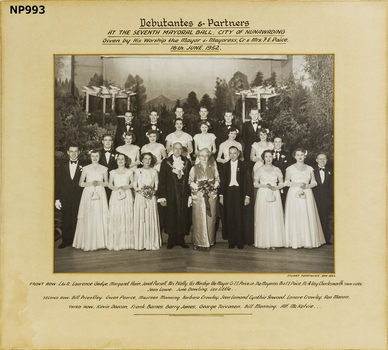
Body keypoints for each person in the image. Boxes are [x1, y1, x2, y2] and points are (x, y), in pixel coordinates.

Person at [284, 148, 326, 249]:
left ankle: (307, 240)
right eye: (297, 155)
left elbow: (314, 182)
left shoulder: (310, 168)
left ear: (305, 156)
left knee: (306, 215)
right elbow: (286, 182)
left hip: (307, 193)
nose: (300, 157)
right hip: (294, 194)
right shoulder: (290, 168)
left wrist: (306, 186)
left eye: (302, 155)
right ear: (294, 156)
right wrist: (297, 184)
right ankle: (294, 241)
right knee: (296, 215)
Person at [72, 150, 109, 251]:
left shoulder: (104, 169)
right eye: (93, 156)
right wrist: (90, 184)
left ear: (99, 157)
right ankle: (88, 242)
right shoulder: (85, 168)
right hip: (88, 193)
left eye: (97, 156)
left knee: (99, 214)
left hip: (100, 193)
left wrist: (99, 183)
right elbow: (80, 183)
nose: (95, 158)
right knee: (89, 215)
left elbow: (107, 183)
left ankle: (101, 242)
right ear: (90, 157)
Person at [158, 143, 192, 249]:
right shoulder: (166, 162)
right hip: (170, 194)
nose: (177, 151)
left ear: (182, 150)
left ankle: (181, 240)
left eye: (179, 149)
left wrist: (190, 195)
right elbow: (162, 181)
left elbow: (190, 179)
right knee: (171, 215)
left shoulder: (187, 162)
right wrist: (162, 197)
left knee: (183, 214)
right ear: (172, 149)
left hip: (184, 194)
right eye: (175, 149)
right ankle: (171, 240)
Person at [219, 146, 253, 249]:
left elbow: (248, 182)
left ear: (238, 154)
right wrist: (221, 196)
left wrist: (247, 196)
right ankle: (231, 241)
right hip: (228, 193)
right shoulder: (224, 166)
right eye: (231, 153)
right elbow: (222, 182)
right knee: (230, 217)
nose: (232, 155)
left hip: (240, 193)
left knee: (239, 217)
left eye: (235, 153)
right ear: (228, 154)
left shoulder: (244, 165)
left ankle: (240, 241)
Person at [189, 148, 220, 250]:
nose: (204, 158)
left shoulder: (214, 168)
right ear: (198, 157)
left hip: (210, 196)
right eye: (202, 155)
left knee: (210, 219)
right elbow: (190, 181)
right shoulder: (194, 168)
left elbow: (218, 180)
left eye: (206, 155)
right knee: (198, 219)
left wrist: (212, 186)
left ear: (209, 156)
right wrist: (199, 187)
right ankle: (197, 242)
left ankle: (209, 241)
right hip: (198, 197)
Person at [253, 150, 285, 249]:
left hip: (275, 193)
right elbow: (255, 184)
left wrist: (276, 188)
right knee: (264, 216)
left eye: (270, 156)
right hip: (263, 193)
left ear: (273, 157)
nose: (268, 159)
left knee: (275, 216)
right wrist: (265, 186)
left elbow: (282, 183)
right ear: (263, 158)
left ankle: (275, 241)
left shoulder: (277, 170)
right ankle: (264, 241)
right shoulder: (259, 170)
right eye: (266, 157)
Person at [55, 145, 84, 249]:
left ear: (79, 152)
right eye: (71, 151)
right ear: (68, 152)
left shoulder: (83, 165)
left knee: (77, 218)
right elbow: (58, 183)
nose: (73, 153)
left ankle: (77, 241)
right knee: (66, 219)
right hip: (65, 197)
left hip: (79, 197)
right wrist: (57, 199)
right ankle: (66, 241)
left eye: (76, 151)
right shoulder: (61, 166)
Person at [133, 152, 161, 250]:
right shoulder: (137, 171)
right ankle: (140, 244)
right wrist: (141, 192)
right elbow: (134, 185)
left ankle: (151, 243)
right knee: (141, 218)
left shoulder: (154, 171)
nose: (147, 161)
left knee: (150, 218)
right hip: (140, 197)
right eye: (145, 158)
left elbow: (156, 186)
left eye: (149, 159)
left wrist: (152, 192)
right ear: (142, 160)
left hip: (151, 198)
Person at [107, 153, 135, 251]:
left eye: (122, 159)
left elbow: (133, 184)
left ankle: (128, 241)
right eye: (119, 159)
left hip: (126, 195)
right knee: (117, 216)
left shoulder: (130, 172)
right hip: (116, 195)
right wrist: (117, 189)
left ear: (125, 161)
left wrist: (125, 187)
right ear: (116, 160)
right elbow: (109, 184)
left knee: (126, 216)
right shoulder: (112, 172)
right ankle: (116, 242)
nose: (121, 161)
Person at [312, 153, 333, 245]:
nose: (322, 161)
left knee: (325, 218)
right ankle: (315, 238)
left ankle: (326, 239)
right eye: (320, 159)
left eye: (324, 159)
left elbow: (332, 186)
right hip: (314, 197)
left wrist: (332, 199)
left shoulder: (331, 171)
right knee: (314, 217)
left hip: (326, 198)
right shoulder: (311, 170)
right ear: (316, 160)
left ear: (327, 160)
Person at [272, 136, 293, 207]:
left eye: (279, 142)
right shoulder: (268, 153)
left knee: (283, 201)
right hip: (272, 180)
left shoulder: (287, 154)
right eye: (276, 142)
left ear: (282, 143)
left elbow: (289, 168)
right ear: (273, 143)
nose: (278, 144)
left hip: (283, 180)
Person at [99, 134, 118, 201]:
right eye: (105, 140)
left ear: (112, 142)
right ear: (102, 141)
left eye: (110, 140)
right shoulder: (98, 153)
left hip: (113, 182)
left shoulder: (117, 153)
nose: (107, 142)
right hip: (101, 181)